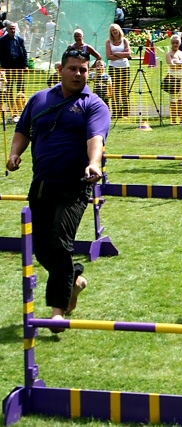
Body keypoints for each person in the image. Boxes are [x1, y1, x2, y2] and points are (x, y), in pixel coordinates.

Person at [5, 48, 109, 332]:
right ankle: (74, 279)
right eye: (73, 68)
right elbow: (23, 130)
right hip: (41, 182)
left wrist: (93, 163)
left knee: (60, 240)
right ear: (60, 70)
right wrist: (14, 154)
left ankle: (57, 311)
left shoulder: (94, 104)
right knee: (41, 248)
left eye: (83, 70)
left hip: (75, 184)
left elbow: (96, 137)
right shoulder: (39, 99)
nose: (78, 74)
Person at [0, 21, 28, 122]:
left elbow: (24, 52)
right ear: (7, 29)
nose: (12, 30)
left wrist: (26, 65)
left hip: (19, 67)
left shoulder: (20, 40)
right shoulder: (2, 41)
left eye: (14, 28)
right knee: (9, 89)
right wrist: (2, 67)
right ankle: (13, 111)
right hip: (8, 68)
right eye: (11, 28)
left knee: (21, 89)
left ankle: (22, 110)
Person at [105, 23, 130, 118]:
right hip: (113, 68)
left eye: (115, 30)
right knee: (114, 90)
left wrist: (116, 53)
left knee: (124, 90)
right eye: (112, 30)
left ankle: (126, 112)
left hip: (125, 67)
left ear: (119, 30)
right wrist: (121, 54)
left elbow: (128, 54)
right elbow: (109, 56)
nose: (114, 32)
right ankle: (116, 112)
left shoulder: (125, 40)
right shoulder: (108, 42)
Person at [165, 34, 182, 125]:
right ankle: (173, 120)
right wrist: (180, 63)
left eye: (177, 43)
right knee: (173, 100)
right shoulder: (168, 54)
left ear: (180, 43)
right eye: (173, 43)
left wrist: (177, 62)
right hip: (172, 79)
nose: (175, 44)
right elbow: (172, 65)